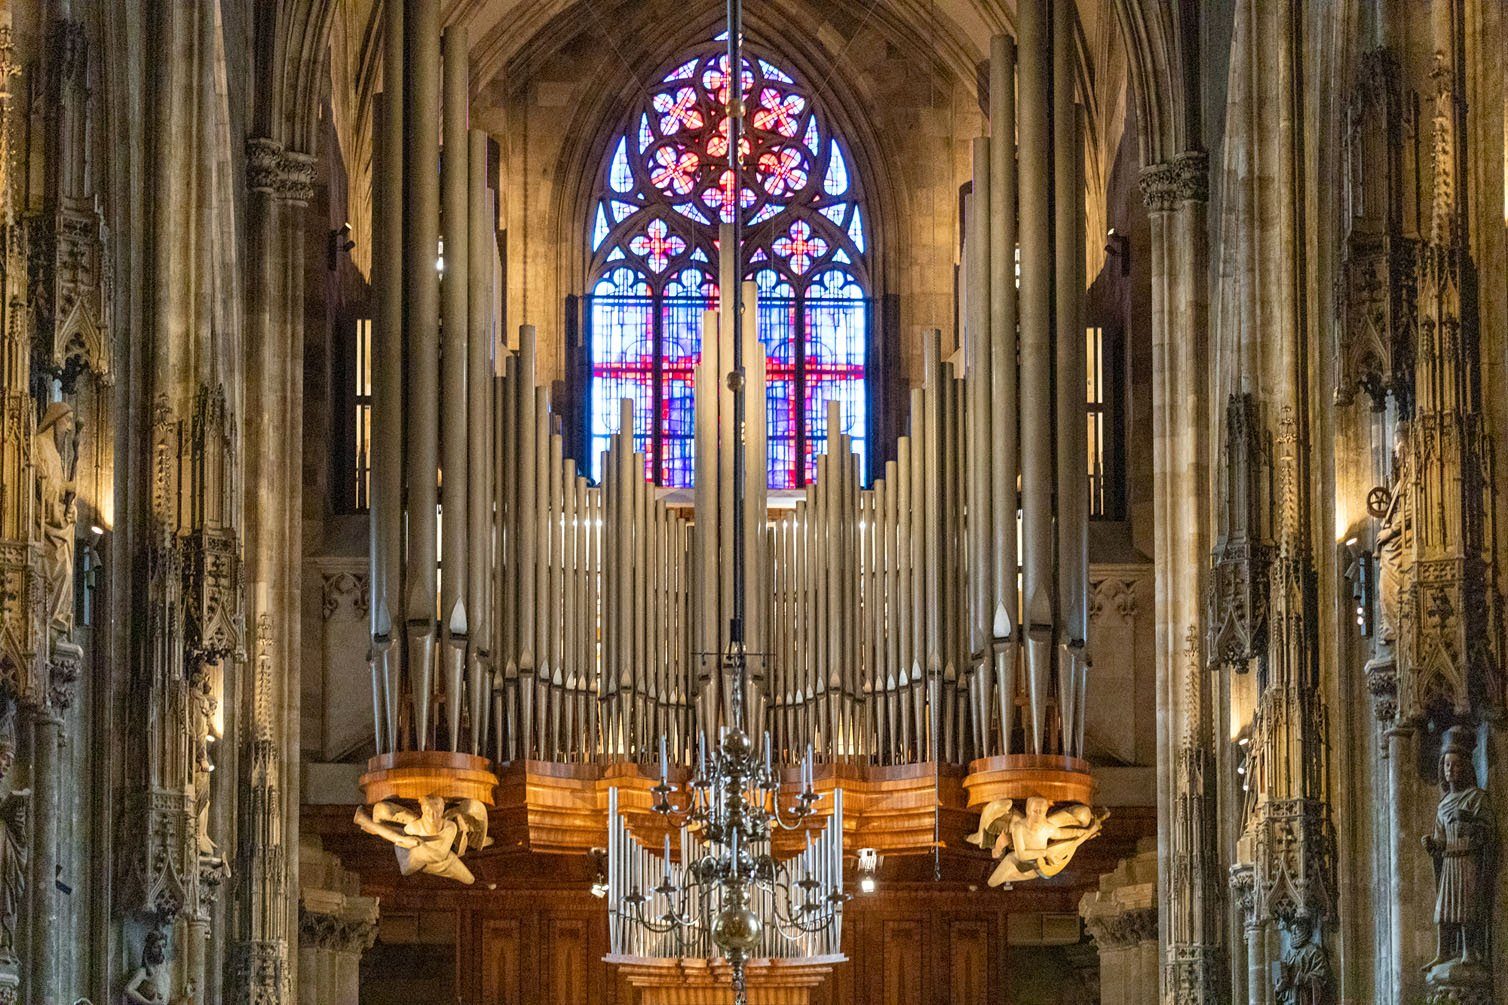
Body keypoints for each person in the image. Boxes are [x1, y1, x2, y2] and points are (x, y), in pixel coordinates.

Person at [1422, 725, 1495, 976]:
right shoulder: (1442, 805)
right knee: (1444, 910)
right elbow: (1440, 839)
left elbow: (1489, 832)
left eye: (1455, 765)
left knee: (1466, 907)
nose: (1450, 770)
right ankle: (1443, 952)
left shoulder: (1476, 798)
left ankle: (1469, 951)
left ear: (1466, 767)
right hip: (1450, 862)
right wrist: (1432, 845)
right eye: (1446, 765)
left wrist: (1468, 820)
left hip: (1467, 860)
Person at [353, 796, 492, 885]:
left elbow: (441, 855)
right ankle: (365, 821)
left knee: (469, 879)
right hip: (412, 861)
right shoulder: (414, 827)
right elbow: (399, 841)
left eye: (437, 810)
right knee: (402, 836)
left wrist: (418, 844)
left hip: (443, 858)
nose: (433, 815)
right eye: (428, 811)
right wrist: (409, 842)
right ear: (423, 810)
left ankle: (366, 822)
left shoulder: (450, 826)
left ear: (442, 808)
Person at [123, 930, 168, 1004]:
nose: (161, 951)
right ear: (150, 949)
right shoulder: (144, 971)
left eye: (163, 946)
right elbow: (128, 990)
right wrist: (149, 1003)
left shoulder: (163, 967)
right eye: (156, 947)